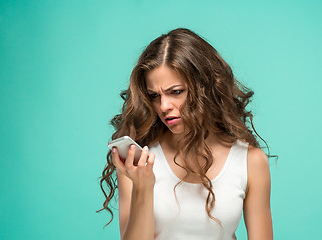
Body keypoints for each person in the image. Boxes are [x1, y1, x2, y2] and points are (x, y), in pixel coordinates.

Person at [98, 28, 274, 240]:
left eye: (176, 92)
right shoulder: (139, 160)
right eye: (154, 96)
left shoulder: (250, 161)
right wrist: (143, 188)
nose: (164, 106)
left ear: (205, 88)